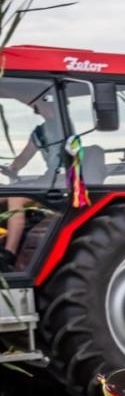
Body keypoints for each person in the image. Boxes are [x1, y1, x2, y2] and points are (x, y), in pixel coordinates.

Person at [1, 91, 66, 271]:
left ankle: (8, 255)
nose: (36, 108)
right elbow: (23, 158)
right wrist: (11, 169)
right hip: (46, 180)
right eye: (36, 105)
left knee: (15, 199)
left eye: (39, 103)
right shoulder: (40, 132)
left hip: (60, 183)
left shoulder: (63, 126)